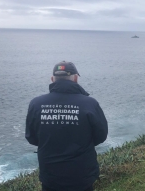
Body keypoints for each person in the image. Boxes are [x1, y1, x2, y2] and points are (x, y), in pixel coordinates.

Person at [25, 61, 108, 191]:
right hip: (82, 173)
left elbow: (31, 137)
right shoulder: (89, 104)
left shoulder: (36, 104)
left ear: (52, 79)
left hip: (50, 174)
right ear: (75, 78)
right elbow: (101, 135)